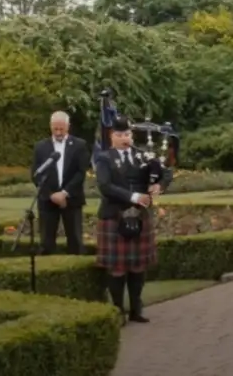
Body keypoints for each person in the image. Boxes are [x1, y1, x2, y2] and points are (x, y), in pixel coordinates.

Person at [95, 115, 173, 324]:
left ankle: (136, 309)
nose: (124, 138)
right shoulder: (104, 158)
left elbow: (166, 172)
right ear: (112, 136)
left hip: (140, 217)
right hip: (114, 215)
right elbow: (105, 186)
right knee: (118, 268)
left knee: (138, 266)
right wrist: (133, 197)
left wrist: (159, 186)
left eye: (127, 134)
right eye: (120, 135)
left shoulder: (143, 156)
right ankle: (118, 310)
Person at [30, 111, 90, 255]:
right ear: (50, 126)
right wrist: (51, 195)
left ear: (68, 127)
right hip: (47, 200)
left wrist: (64, 193)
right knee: (46, 242)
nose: (58, 132)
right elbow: (36, 174)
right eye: (55, 128)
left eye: (61, 129)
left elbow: (81, 172)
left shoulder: (79, 145)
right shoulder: (40, 147)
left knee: (75, 240)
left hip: (72, 199)